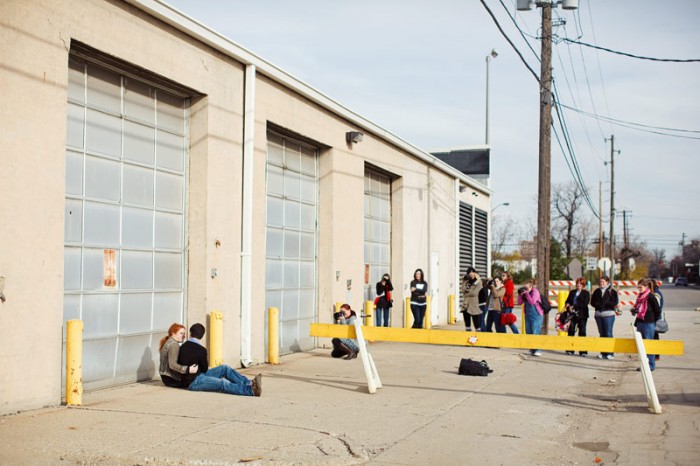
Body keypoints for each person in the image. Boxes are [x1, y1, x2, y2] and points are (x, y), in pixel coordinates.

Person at [177, 323, 261, 396]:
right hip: (194, 382)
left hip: (195, 377)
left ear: (190, 333)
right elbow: (205, 368)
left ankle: (249, 383)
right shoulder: (201, 350)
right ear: (201, 336)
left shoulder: (182, 347)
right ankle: (251, 391)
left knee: (224, 368)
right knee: (222, 383)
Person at [631, 278, 661, 371]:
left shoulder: (651, 297)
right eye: (638, 287)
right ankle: (644, 365)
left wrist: (652, 320)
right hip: (640, 322)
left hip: (648, 323)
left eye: (641, 287)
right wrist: (634, 311)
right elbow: (638, 308)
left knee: (649, 345)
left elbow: (657, 310)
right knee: (641, 345)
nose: (639, 289)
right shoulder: (640, 297)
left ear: (646, 287)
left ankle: (651, 365)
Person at [159, 323, 198, 388]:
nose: (184, 336)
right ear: (173, 333)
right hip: (172, 379)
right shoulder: (173, 345)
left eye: (184, 334)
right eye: (181, 333)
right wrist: (188, 369)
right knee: (199, 379)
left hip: (167, 378)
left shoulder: (169, 342)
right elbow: (172, 365)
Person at [590, 275, 619, 360]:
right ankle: (603, 353)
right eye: (600, 281)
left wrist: (604, 304)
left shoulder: (612, 291)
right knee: (601, 333)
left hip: (608, 315)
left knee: (608, 333)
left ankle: (610, 353)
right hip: (598, 315)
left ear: (607, 282)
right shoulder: (597, 291)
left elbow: (615, 302)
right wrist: (598, 304)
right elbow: (592, 302)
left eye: (603, 282)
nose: (601, 283)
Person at [564, 277, 591, 357]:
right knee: (571, 331)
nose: (579, 286)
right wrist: (567, 305)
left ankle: (583, 351)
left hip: (582, 315)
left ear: (583, 285)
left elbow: (585, 303)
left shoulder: (586, 293)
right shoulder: (572, 292)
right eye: (577, 284)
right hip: (572, 315)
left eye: (580, 284)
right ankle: (570, 349)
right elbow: (568, 300)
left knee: (582, 332)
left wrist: (574, 306)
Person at [518, 280, 543, 356]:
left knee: (536, 332)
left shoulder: (535, 292)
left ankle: (538, 350)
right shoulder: (525, 293)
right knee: (529, 332)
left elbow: (532, 302)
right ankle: (532, 349)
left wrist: (527, 294)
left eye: (527, 288)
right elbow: (519, 303)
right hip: (528, 315)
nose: (525, 289)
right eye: (524, 288)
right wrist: (520, 294)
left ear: (531, 286)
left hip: (536, 315)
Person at [460, 267, 483, 331]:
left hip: (474, 305)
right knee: (467, 325)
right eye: (469, 274)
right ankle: (468, 334)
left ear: (475, 274)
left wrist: (466, 294)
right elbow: (463, 290)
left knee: (477, 325)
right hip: (466, 305)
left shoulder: (478, 282)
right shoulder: (467, 282)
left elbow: (474, 293)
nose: (471, 275)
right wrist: (464, 281)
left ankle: (478, 335)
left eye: (472, 273)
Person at [649, 279, 664, 361]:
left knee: (654, 336)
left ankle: (656, 355)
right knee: (655, 336)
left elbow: (657, 308)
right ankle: (655, 355)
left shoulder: (656, 294)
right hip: (655, 317)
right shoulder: (656, 292)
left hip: (655, 318)